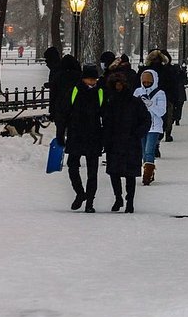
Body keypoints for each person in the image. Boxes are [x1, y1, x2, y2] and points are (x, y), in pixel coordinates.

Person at [56, 63, 105, 212]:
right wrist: (60, 132)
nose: (92, 82)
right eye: (90, 79)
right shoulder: (74, 91)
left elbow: (105, 114)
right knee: (73, 166)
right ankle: (80, 193)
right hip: (76, 133)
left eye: (94, 80)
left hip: (94, 135)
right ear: (83, 79)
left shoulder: (100, 92)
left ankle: (90, 202)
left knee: (92, 171)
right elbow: (63, 113)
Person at [103, 71, 151, 213]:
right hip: (114, 142)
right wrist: (106, 140)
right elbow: (105, 122)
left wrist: (137, 134)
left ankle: (130, 201)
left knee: (130, 174)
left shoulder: (134, 102)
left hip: (131, 142)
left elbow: (146, 120)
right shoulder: (109, 102)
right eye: (115, 85)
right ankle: (118, 197)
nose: (118, 87)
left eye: (120, 84)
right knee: (114, 173)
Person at [134, 69, 167, 185]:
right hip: (141, 126)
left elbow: (161, 111)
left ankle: (147, 175)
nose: (146, 84)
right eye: (144, 82)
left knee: (149, 150)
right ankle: (148, 170)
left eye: (149, 82)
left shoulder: (160, 94)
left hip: (154, 126)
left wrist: (150, 104)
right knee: (143, 151)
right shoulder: (138, 92)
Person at [43, 46, 63, 121]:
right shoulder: (56, 68)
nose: (46, 62)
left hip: (60, 106)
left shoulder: (56, 69)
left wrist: (50, 84)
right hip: (58, 106)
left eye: (47, 59)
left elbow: (57, 86)